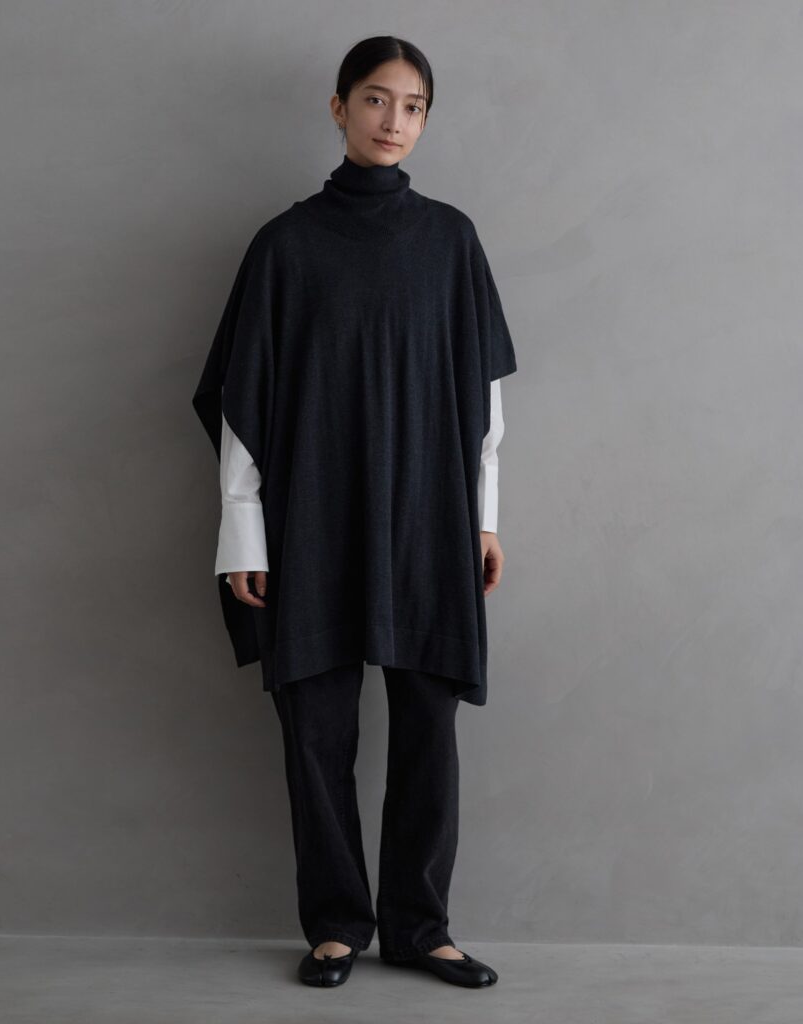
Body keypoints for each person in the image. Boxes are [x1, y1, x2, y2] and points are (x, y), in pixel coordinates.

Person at [192, 36, 517, 988]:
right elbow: (243, 404)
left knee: (427, 731)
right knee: (317, 731)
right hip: (313, 520)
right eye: (375, 100)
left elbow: (483, 403)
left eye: (412, 106)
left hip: (427, 518)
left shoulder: (450, 241)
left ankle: (420, 927)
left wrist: (484, 517)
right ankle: (336, 924)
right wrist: (242, 533)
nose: (392, 121)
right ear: (338, 109)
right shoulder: (285, 247)